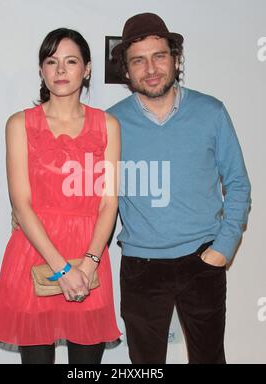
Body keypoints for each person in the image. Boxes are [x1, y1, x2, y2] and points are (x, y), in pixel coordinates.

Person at [107, 12, 251, 364]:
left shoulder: (211, 112)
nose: (151, 68)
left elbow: (238, 184)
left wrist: (223, 248)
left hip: (202, 260)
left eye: (159, 56)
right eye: (138, 60)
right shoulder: (110, 122)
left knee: (209, 359)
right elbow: (94, 192)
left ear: (175, 59)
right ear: (126, 70)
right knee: (145, 365)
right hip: (141, 265)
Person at [0, 28, 121, 364]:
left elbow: (109, 201)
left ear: (86, 69)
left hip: (90, 258)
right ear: (42, 70)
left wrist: (88, 264)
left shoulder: (108, 126)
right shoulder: (19, 125)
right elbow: (22, 205)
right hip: (34, 253)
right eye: (52, 61)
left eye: (71, 61)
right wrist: (62, 271)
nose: (61, 70)